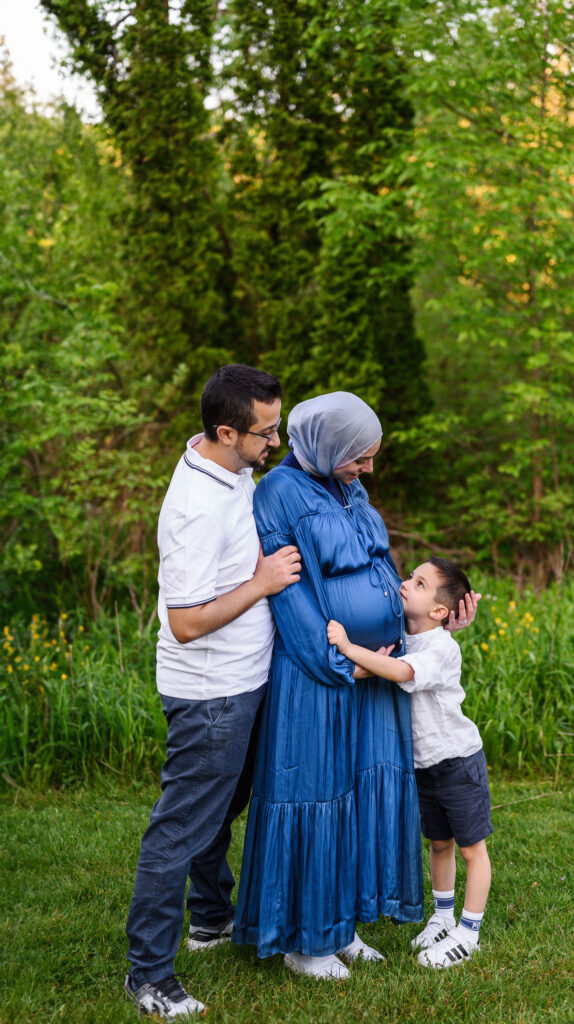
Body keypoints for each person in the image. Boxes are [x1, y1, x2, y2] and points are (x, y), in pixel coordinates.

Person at [232, 392, 478, 981]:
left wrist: (430, 622)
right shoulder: (277, 495)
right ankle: (305, 942)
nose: (368, 469)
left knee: (355, 799)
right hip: (321, 677)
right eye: (359, 458)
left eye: (370, 458)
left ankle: (340, 926)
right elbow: (291, 599)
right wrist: (348, 663)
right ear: (325, 446)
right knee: (313, 798)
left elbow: (380, 574)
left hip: (372, 674)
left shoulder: (351, 490)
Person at [124, 364, 302, 1019]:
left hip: (245, 683)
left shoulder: (227, 465)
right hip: (210, 697)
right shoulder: (196, 509)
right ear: (225, 431)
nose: (273, 443)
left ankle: (209, 920)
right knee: (179, 830)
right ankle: (148, 976)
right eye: (264, 433)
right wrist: (261, 583)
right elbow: (186, 621)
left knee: (219, 810)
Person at [327, 556, 492, 970]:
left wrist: (348, 647)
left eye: (419, 583)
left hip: (456, 759)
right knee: (439, 843)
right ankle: (441, 915)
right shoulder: (406, 635)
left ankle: (468, 933)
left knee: (473, 849)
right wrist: (360, 665)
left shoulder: (439, 647)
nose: (405, 583)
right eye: (410, 576)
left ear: (439, 611)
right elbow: (385, 665)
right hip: (424, 765)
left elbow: (400, 671)